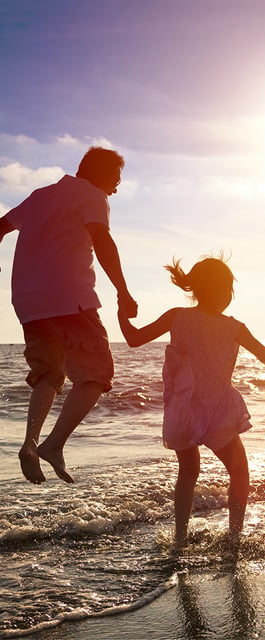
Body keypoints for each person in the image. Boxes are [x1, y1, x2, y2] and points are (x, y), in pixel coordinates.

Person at [117, 256, 265, 551]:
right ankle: (235, 537)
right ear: (222, 291)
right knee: (239, 469)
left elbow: (134, 338)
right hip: (216, 411)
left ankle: (179, 540)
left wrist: (120, 311)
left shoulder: (176, 316)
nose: (230, 295)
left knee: (188, 472)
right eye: (228, 288)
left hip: (183, 410)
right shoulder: (234, 327)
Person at [0, 147, 138, 485]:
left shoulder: (39, 195)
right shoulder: (92, 195)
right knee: (98, 373)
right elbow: (102, 239)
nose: (115, 189)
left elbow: (1, 226)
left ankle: (30, 443)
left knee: (49, 373)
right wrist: (123, 290)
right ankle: (53, 445)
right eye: (115, 180)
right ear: (101, 173)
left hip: (29, 304)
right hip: (70, 299)